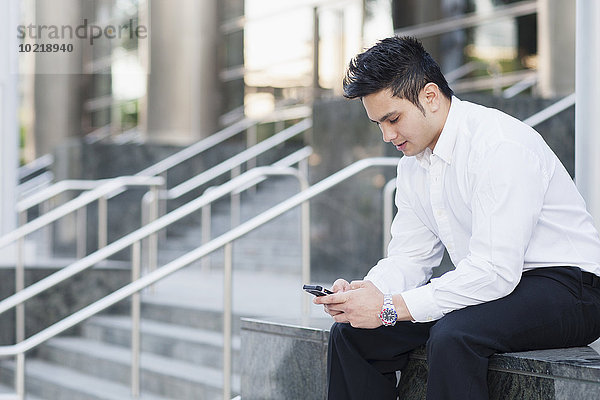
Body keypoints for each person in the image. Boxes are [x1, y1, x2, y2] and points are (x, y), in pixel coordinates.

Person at [314, 36, 600, 400]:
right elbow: (410, 257)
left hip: (568, 289)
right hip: (493, 287)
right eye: (378, 124)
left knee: (454, 335)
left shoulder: (498, 144)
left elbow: (495, 271)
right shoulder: (413, 166)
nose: (387, 135)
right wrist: (368, 294)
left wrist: (389, 307)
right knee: (353, 333)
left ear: (430, 97)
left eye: (393, 118)